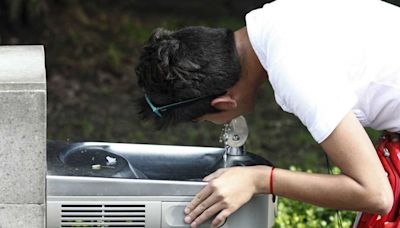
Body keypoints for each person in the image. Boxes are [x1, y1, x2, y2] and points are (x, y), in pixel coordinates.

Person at [135, 0, 400, 227]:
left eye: (204, 118)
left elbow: (375, 194)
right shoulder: (277, 16)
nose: (219, 123)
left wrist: (260, 179)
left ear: (225, 103)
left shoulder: (295, 72)